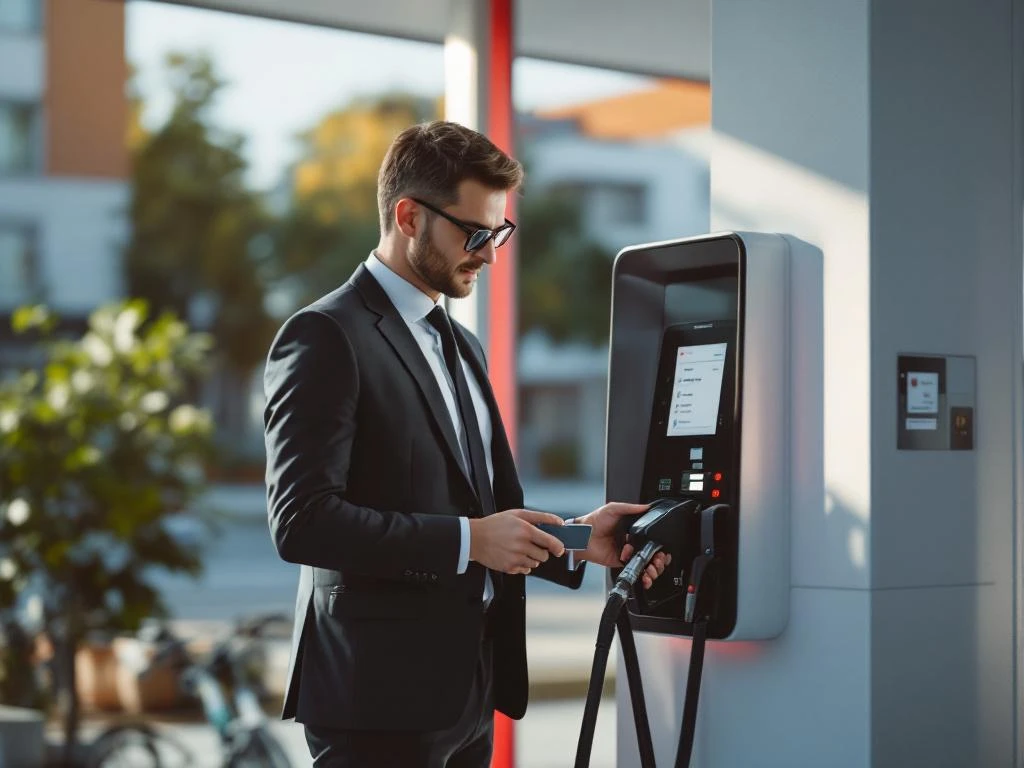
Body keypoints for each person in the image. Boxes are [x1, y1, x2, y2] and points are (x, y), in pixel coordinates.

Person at [263, 120, 670, 767]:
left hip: (470, 693)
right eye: (474, 233)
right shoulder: (324, 335)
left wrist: (578, 542)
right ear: (408, 216)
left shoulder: (462, 345)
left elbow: (485, 513)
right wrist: (468, 541)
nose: (489, 253)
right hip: (375, 701)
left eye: (500, 232)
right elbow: (303, 523)